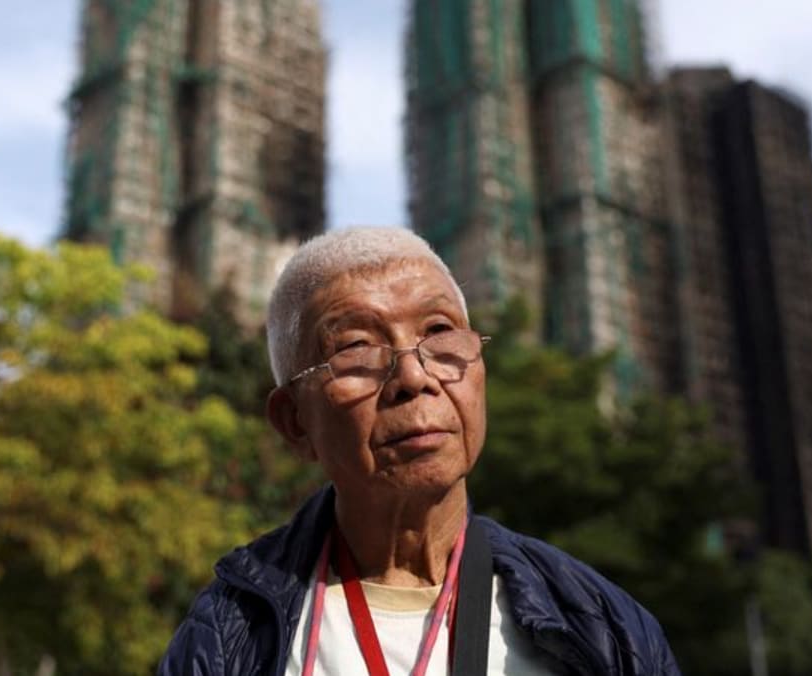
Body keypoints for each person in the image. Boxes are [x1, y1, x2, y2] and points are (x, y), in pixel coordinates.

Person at [159, 227, 681, 675]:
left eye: (439, 333)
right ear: (295, 421)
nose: (414, 377)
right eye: (356, 348)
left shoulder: (601, 626)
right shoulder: (232, 633)